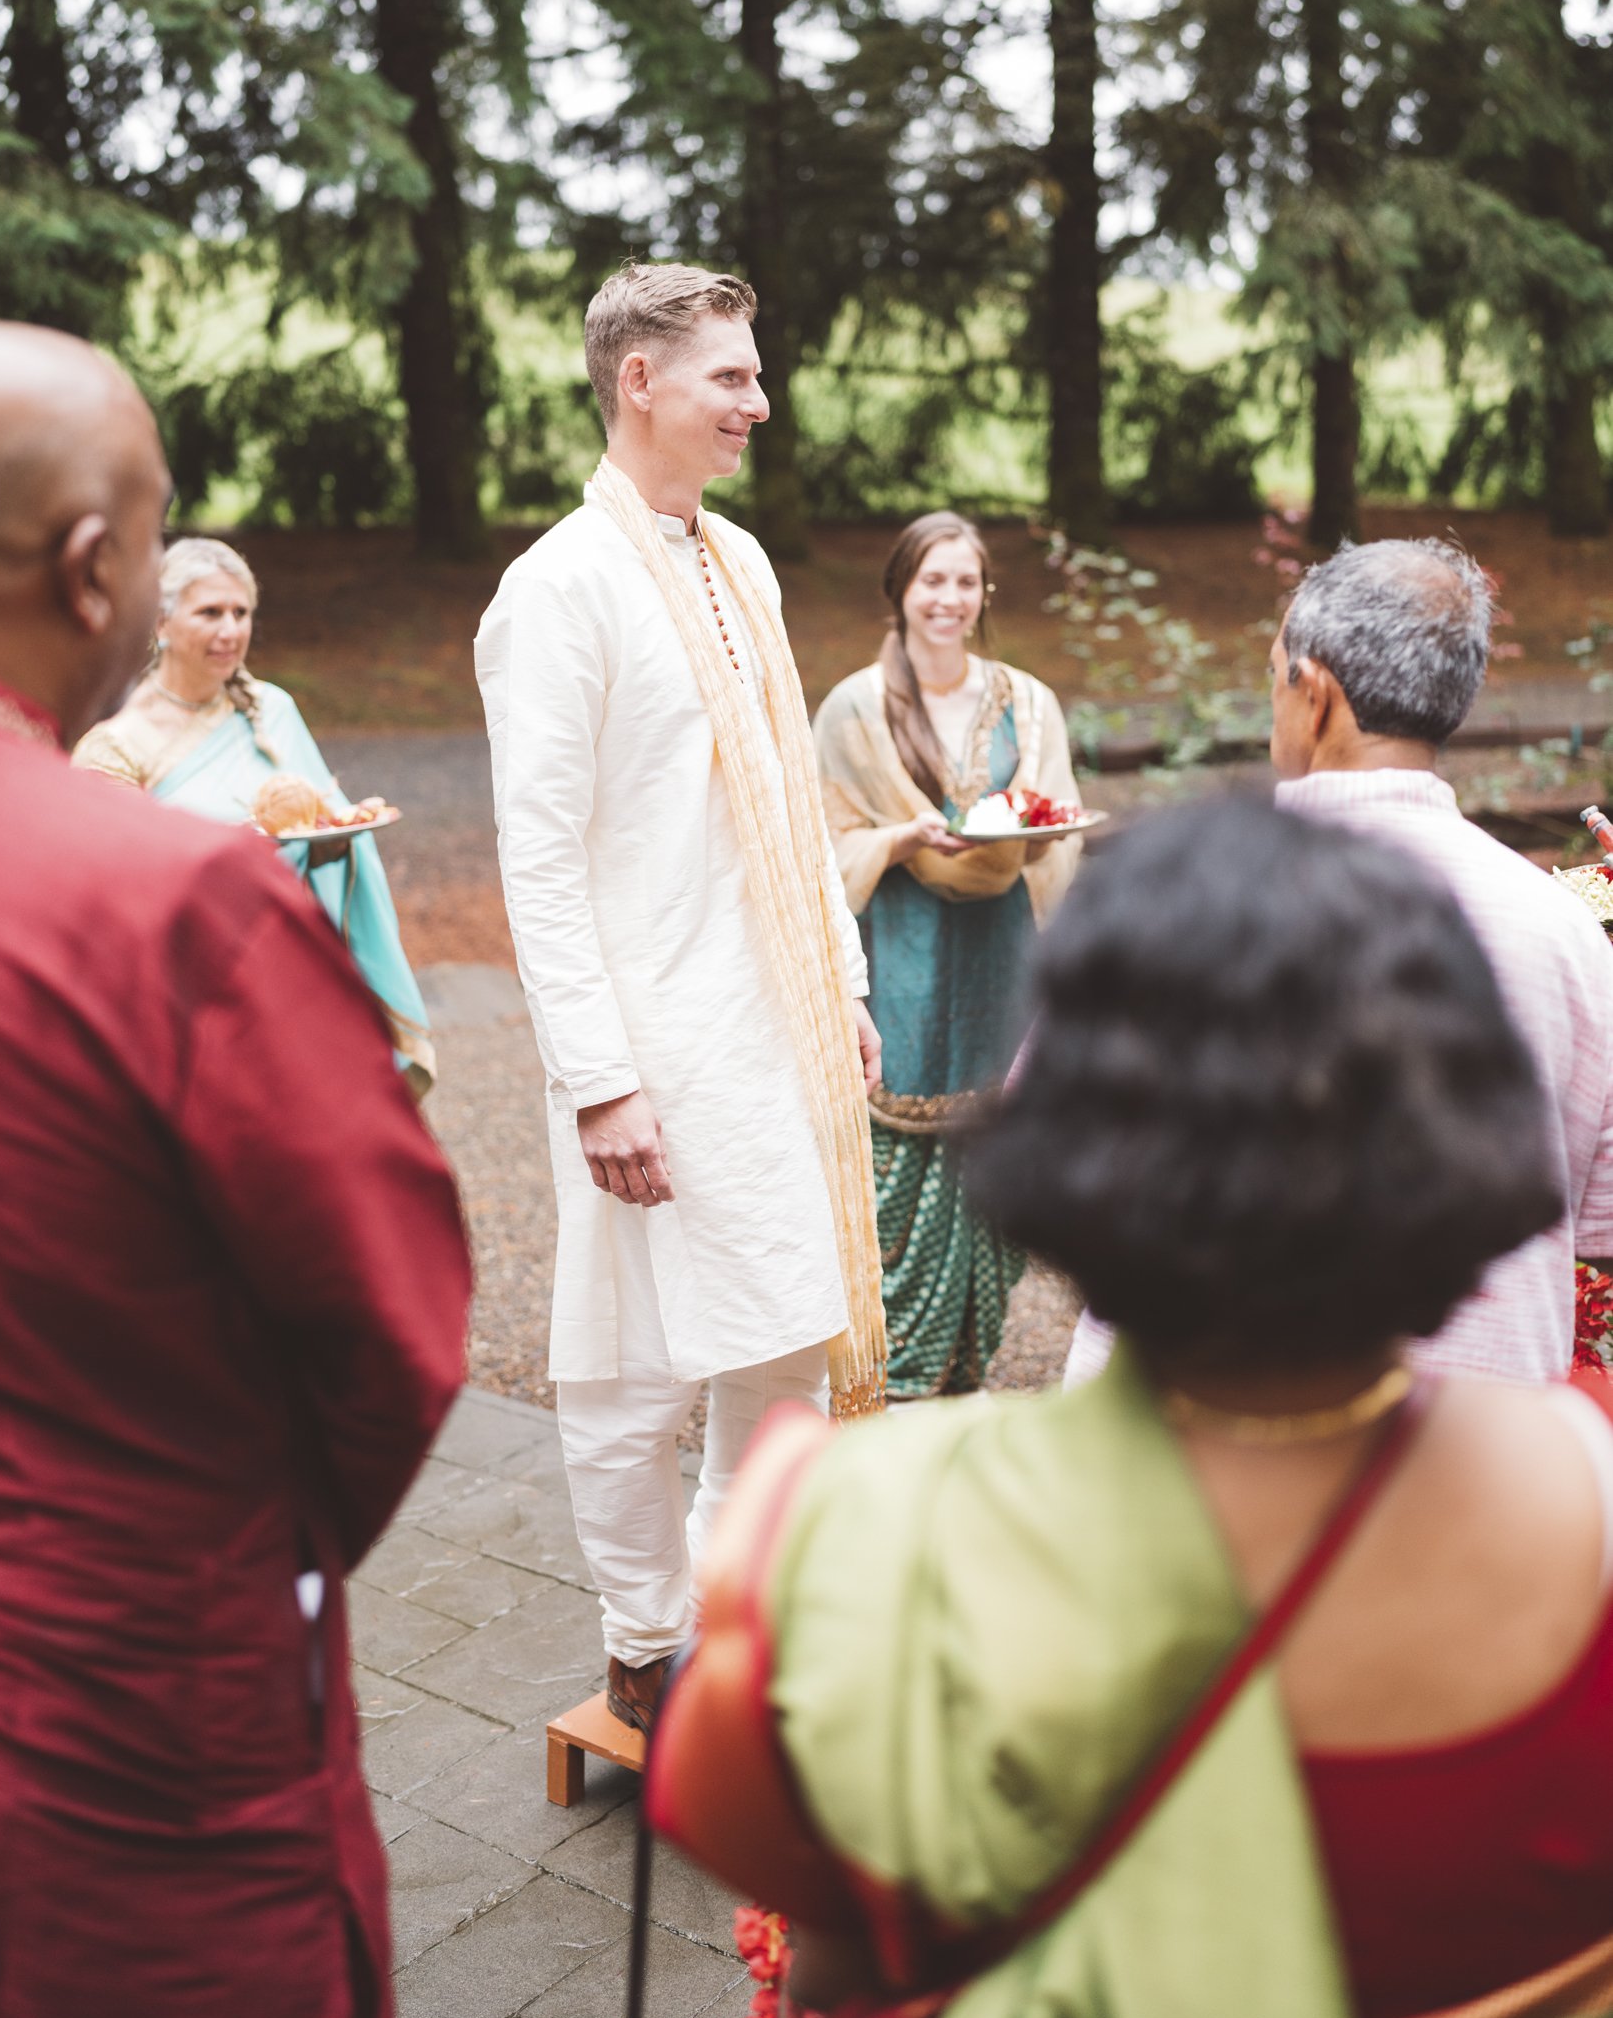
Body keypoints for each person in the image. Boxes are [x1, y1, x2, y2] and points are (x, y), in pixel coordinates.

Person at [650, 799, 1613, 2018]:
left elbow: (827, 1985)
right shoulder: (1587, 1507)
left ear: (1077, 1128)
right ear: (1463, 1126)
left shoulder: (857, 1528)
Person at [0, 320, 471, 2018]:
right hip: (119, 1735)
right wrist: (234, 1548)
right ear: (96, 568)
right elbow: (393, 1326)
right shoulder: (161, 902)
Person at [474, 260, 885, 1737]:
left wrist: (840, 979)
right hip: (650, 1044)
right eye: (731, 376)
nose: (758, 402)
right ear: (637, 380)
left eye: (756, 375)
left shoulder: (743, 564)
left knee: (780, 1326)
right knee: (632, 1374)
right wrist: (599, 1078)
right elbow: (539, 855)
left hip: (771, 1025)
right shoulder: (555, 591)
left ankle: (744, 1635)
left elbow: (784, 795)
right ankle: (649, 1648)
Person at [1066, 536, 1613, 1391]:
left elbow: (1060, 1162)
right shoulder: (1564, 929)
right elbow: (1598, 1223)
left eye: (1274, 672)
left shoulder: (1177, 894)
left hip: (1192, 1452)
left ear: (1312, 694)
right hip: (1479, 1463)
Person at [813, 512, 1082, 1396]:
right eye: (933, 580)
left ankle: (967, 1365)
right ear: (900, 589)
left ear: (983, 594)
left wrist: (1022, 837)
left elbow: (1057, 822)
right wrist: (900, 839)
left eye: (965, 582)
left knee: (993, 1148)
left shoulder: (1026, 702)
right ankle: (884, 1375)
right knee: (894, 1164)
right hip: (901, 950)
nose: (950, 599)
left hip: (1000, 942)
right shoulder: (854, 707)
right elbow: (821, 842)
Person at [74, 534, 434, 1094]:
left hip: (296, 973)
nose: (230, 630)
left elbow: (324, 830)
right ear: (161, 623)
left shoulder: (274, 710)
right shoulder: (115, 744)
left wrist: (341, 832)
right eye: (211, 612)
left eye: (241, 612)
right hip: (192, 996)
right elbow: (109, 890)